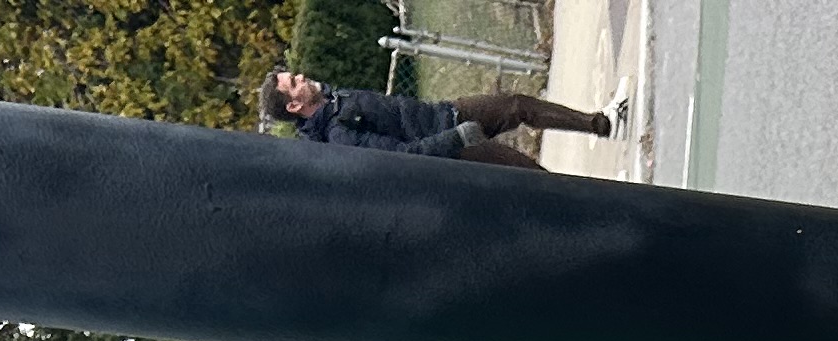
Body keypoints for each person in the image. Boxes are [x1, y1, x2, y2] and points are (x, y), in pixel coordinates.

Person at [257, 67, 616, 168]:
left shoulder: (334, 98)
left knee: (516, 105)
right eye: (294, 83)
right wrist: (456, 138)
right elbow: (404, 157)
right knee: (527, 172)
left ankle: (599, 124)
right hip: (454, 150)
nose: (301, 76)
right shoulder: (340, 135)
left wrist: (447, 117)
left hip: (446, 112)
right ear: (293, 106)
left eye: (295, 75)